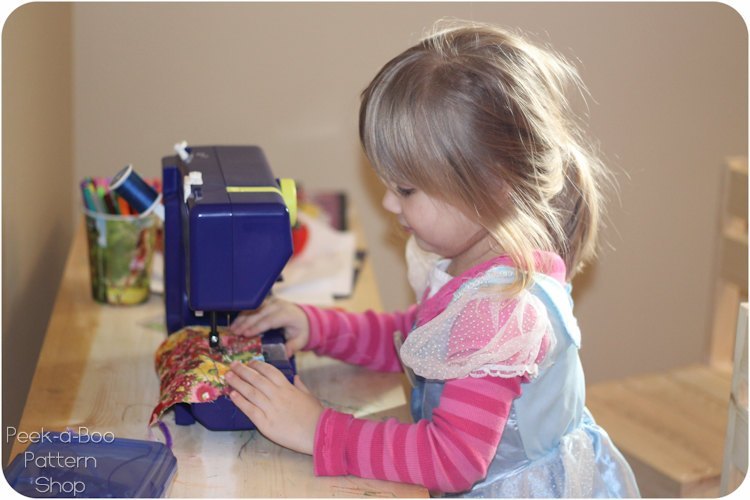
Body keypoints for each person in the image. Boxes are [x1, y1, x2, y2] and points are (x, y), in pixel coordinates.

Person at [225, 20, 640, 497]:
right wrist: (318, 327)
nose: (387, 203)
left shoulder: (499, 311)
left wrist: (319, 430)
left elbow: (451, 459)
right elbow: (420, 341)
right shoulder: (472, 261)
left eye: (405, 188)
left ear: (492, 188)